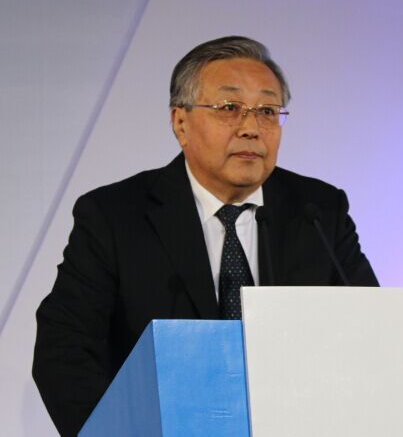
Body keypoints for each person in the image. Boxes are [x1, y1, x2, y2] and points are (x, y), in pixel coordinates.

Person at [33, 36, 378, 436]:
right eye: (230, 108)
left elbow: (370, 332)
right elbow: (65, 350)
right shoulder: (115, 216)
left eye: (267, 111)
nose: (251, 128)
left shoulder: (318, 211)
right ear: (181, 123)